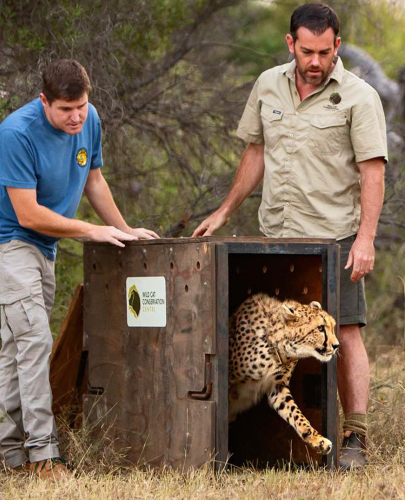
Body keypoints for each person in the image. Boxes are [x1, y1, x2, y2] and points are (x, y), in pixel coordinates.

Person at [192, 3, 387, 471]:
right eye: (307, 51)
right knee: (280, 341)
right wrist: (222, 212)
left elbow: (372, 173)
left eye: (324, 51)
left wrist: (366, 239)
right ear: (290, 44)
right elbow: (255, 152)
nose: (315, 61)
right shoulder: (268, 84)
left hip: (333, 239)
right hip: (274, 238)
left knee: (344, 331)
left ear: (337, 46)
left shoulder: (360, 97)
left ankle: (354, 436)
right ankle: (266, 441)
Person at [0, 59, 158, 480]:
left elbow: (93, 180)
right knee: (36, 339)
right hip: (7, 241)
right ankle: (43, 454)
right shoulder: (16, 134)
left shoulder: (88, 119)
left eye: (82, 105)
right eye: (65, 109)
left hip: (45, 245)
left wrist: (124, 229)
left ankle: (3, 456)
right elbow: (28, 215)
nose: (76, 117)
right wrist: (91, 232)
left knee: (19, 346)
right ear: (44, 102)